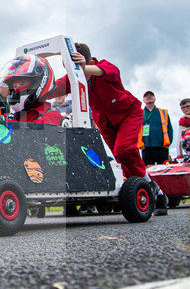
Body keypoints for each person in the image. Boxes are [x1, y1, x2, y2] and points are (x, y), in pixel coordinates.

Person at [71, 44, 167, 214]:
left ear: (87, 61)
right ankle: (154, 192)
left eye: (77, 66)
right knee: (123, 158)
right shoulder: (76, 76)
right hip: (107, 123)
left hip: (128, 114)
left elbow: (112, 72)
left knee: (124, 150)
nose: (74, 72)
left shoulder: (104, 66)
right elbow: (55, 87)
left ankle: (149, 188)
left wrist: (86, 67)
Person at [0, 54, 63, 125]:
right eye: (14, 86)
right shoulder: (14, 116)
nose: (16, 90)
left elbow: (29, 132)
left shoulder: (51, 116)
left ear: (38, 82)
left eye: (22, 84)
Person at [139, 91, 173, 166]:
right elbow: (135, 131)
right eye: (146, 96)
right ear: (143, 100)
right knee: (148, 171)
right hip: (146, 148)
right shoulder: (139, 114)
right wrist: (140, 145)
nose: (149, 97)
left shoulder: (163, 112)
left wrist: (168, 143)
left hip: (162, 147)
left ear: (155, 99)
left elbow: (169, 129)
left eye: (151, 95)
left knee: (164, 169)